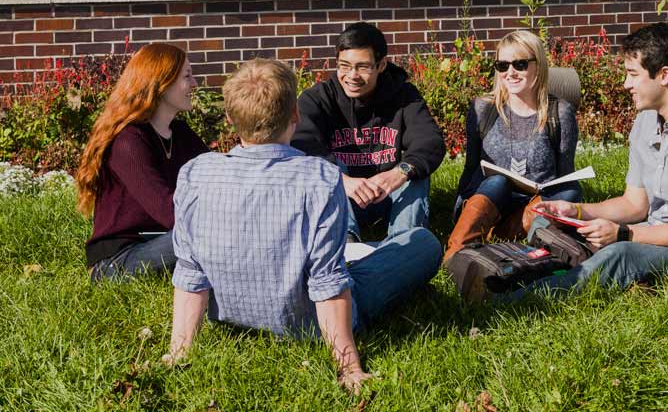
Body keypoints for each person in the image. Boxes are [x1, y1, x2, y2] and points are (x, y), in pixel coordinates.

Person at [164, 59, 441, 393]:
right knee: (422, 243)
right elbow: (327, 282)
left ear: (229, 118)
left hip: (227, 313)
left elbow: (190, 272)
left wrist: (178, 352)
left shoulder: (195, 173)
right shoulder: (320, 177)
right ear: (295, 115)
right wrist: (349, 368)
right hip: (305, 321)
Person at [502, 22, 668, 301]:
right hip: (653, 232)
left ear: (664, 75)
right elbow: (634, 204)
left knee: (621, 253)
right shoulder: (645, 121)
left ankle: (521, 302)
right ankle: (511, 275)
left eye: (632, 74)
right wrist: (575, 211)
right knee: (549, 227)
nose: (626, 84)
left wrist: (624, 235)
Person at [292, 22, 445, 240]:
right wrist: (342, 180)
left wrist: (398, 173)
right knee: (328, 172)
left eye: (362, 67)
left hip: (389, 195)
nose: (352, 75)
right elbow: (301, 145)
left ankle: (404, 244)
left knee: (415, 172)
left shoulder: (404, 95)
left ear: (381, 65)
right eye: (344, 65)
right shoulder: (317, 99)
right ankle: (347, 244)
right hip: (342, 198)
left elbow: (430, 142)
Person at [443, 30, 581, 264]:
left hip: (532, 202)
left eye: (520, 64)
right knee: (498, 182)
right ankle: (455, 255)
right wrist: (461, 201)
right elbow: (471, 166)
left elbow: (564, 173)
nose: (510, 73)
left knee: (572, 190)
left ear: (539, 65)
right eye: (503, 65)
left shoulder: (559, 112)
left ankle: (502, 235)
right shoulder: (483, 109)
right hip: (488, 197)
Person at [75, 43, 207, 282]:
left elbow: (216, 178)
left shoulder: (181, 133)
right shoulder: (128, 141)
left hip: (162, 241)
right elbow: (170, 213)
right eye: (187, 77)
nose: (195, 84)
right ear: (161, 83)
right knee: (202, 236)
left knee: (207, 233)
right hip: (117, 261)